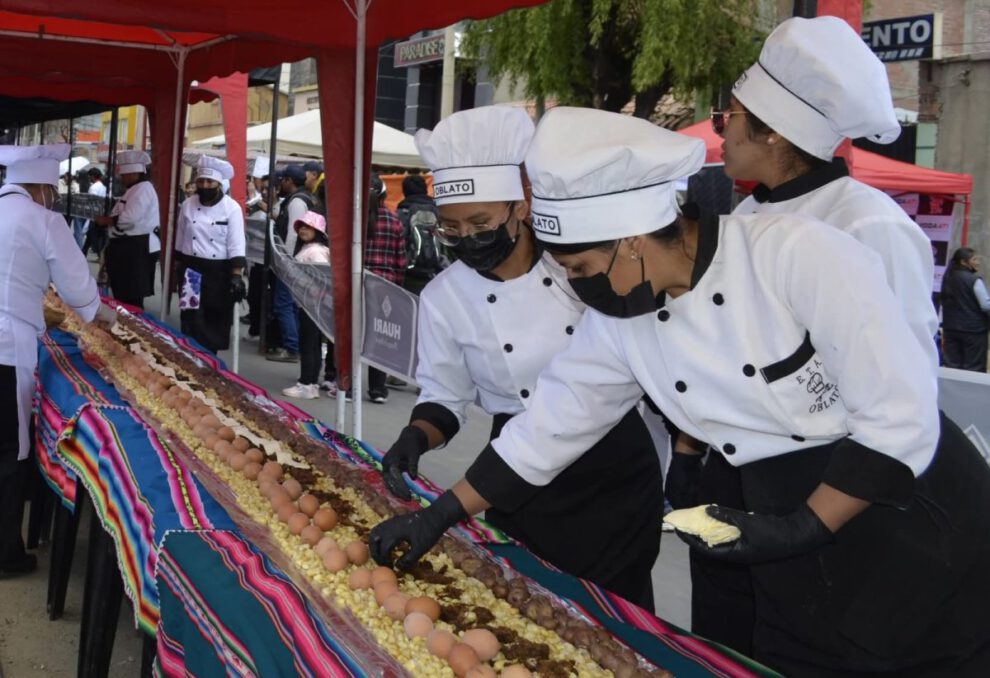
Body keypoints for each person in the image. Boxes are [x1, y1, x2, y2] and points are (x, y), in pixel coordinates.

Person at [369, 107, 990, 677]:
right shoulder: (623, 320)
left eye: (581, 269)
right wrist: (438, 515)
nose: (578, 287)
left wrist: (804, 526)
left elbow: (900, 416)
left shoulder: (796, 253)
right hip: (777, 512)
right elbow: (549, 426)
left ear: (631, 241)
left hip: (903, 511)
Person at [669, 16, 945, 654]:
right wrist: (688, 454)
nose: (721, 129)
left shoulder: (869, 224)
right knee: (721, 642)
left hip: (826, 492)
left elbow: (906, 388)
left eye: (729, 117)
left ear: (771, 131)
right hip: (734, 472)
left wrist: (806, 521)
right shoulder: (746, 213)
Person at [377, 105, 662, 609]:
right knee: (525, 605)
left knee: (618, 616)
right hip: (510, 475)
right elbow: (446, 396)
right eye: (451, 229)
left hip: (609, 466)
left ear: (521, 206)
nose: (468, 239)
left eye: (481, 223)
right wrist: (415, 437)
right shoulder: (444, 296)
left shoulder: (576, 266)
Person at [0, 144, 112, 577]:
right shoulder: (44, 220)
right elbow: (79, 293)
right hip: (6, 346)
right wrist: (108, 318)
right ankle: (6, 555)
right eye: (53, 190)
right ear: (43, 188)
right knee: (10, 450)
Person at [175, 156, 246, 354]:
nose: (205, 186)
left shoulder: (231, 208)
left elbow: (236, 242)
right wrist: (176, 266)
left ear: (219, 184)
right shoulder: (188, 204)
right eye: (201, 181)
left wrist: (237, 275)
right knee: (190, 318)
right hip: (191, 270)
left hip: (218, 272)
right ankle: (189, 359)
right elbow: (181, 235)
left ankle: (209, 362)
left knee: (213, 320)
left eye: (209, 182)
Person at [92, 151, 159, 309]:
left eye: (124, 175)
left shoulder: (143, 189)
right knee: (122, 293)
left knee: (130, 296)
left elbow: (131, 218)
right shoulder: (135, 189)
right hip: (126, 248)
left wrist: (107, 220)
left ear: (134, 174)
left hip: (135, 249)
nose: (121, 178)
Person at [363, 173, 406, 404]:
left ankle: (346, 387)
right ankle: (377, 390)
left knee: (354, 334)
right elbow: (401, 259)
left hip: (360, 282)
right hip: (386, 287)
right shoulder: (394, 220)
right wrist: (397, 287)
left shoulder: (357, 219)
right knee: (379, 337)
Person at [268, 165, 316, 363]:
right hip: (297, 261)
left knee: (283, 304)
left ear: (289, 181)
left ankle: (292, 347)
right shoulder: (302, 198)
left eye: (283, 180)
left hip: (292, 262)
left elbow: (293, 234)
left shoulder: (296, 201)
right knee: (290, 305)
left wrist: (286, 261)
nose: (281, 183)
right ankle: (294, 345)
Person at [281, 211, 332, 399]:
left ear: (317, 230)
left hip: (312, 304)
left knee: (308, 344)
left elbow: (322, 277)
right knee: (313, 344)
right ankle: (310, 382)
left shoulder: (316, 251)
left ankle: (306, 384)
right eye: (301, 226)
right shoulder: (312, 248)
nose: (303, 229)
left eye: (308, 227)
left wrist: (312, 292)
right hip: (310, 303)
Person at [941, 247, 990, 371]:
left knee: (952, 366)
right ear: (963, 262)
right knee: (974, 367)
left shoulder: (948, 278)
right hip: (973, 331)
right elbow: (985, 305)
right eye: (974, 259)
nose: (978, 262)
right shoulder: (974, 280)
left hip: (950, 328)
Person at [396, 174, 445, 296]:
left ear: (404, 192)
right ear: (425, 189)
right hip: (437, 272)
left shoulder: (401, 213)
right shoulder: (440, 213)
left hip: (409, 275)